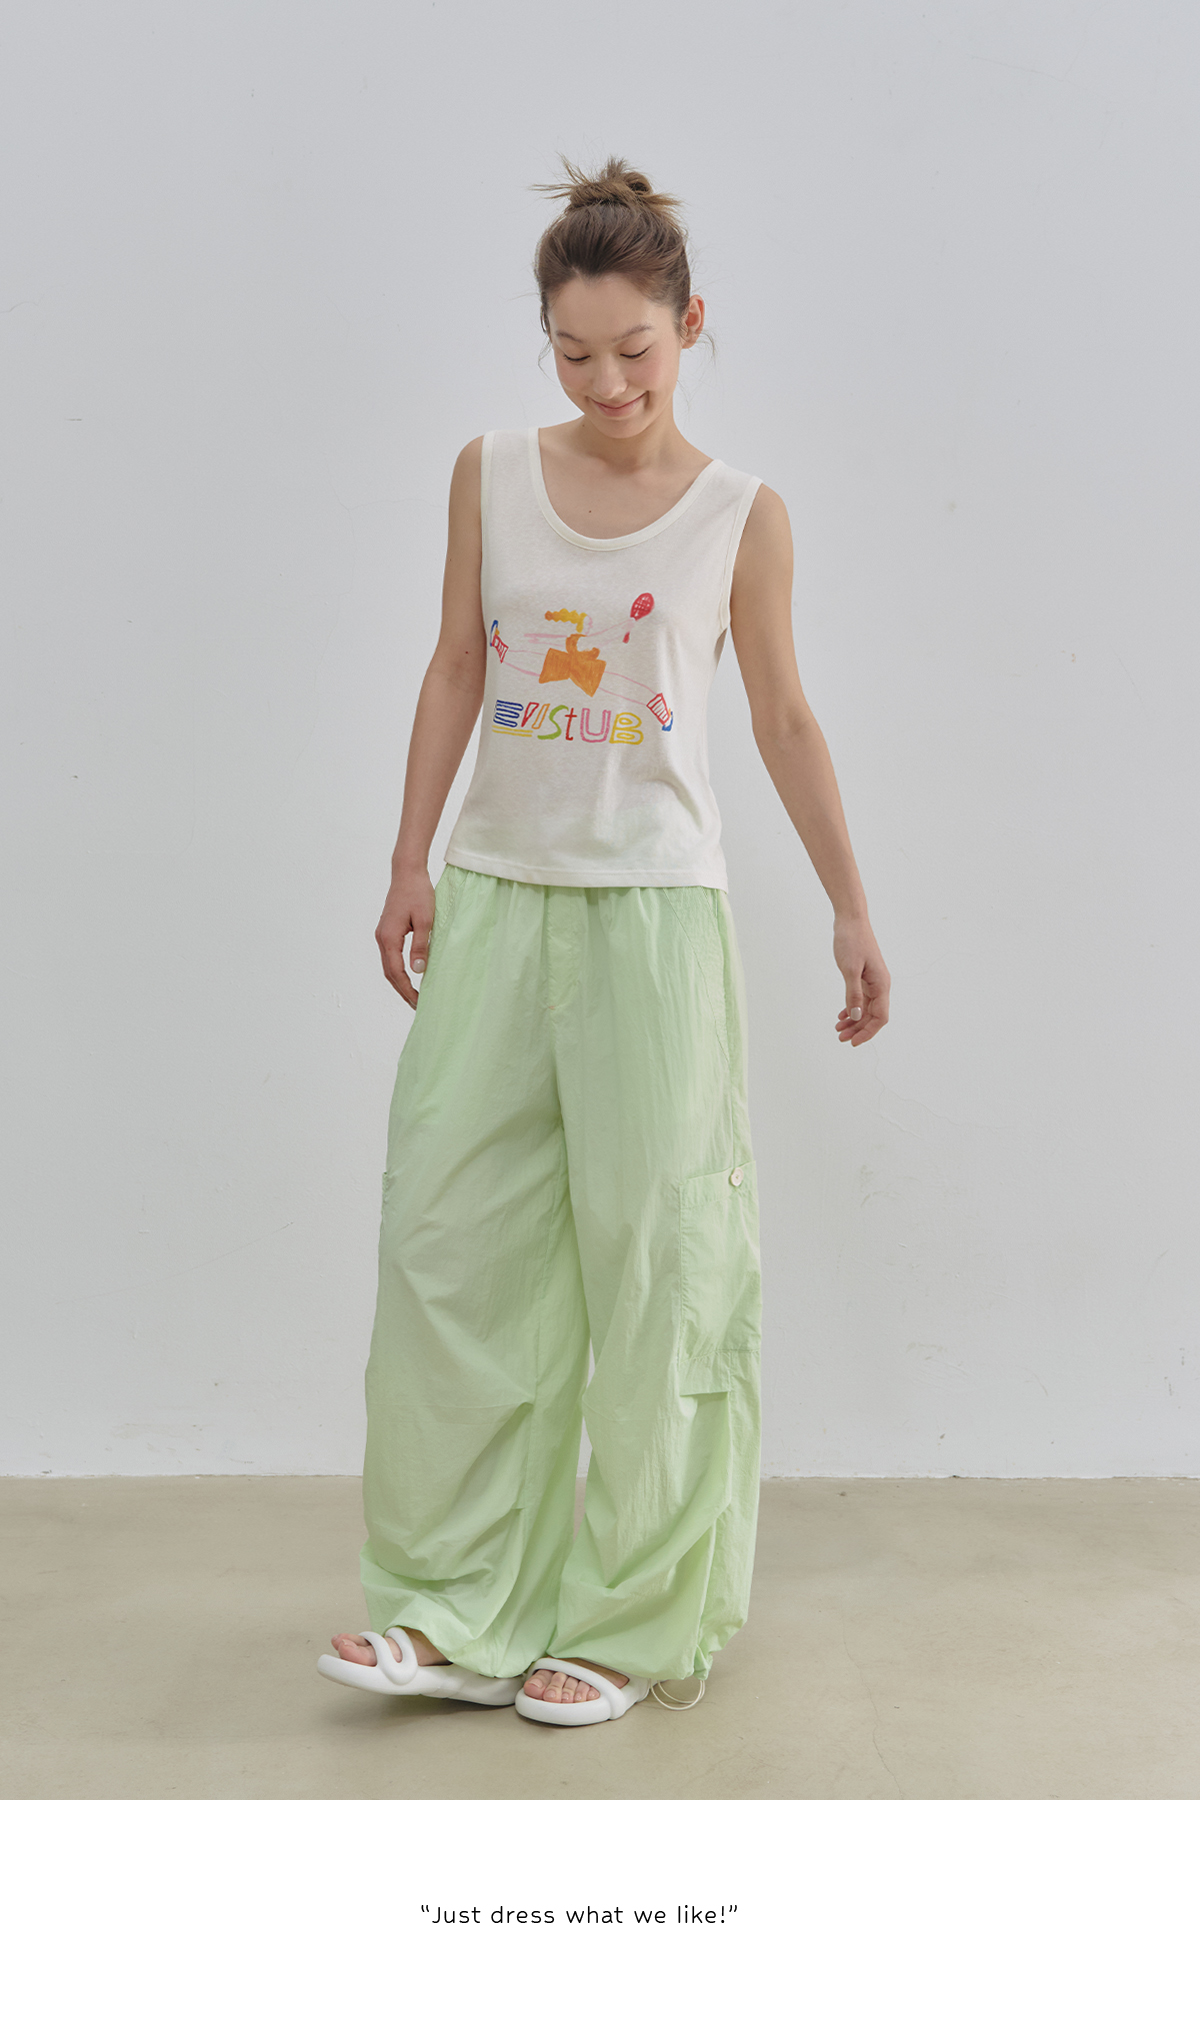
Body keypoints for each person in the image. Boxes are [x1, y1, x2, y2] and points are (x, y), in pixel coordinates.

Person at [317, 156, 890, 1728]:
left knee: (662, 1267)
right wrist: (409, 857)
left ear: (690, 325)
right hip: (498, 893)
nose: (607, 381)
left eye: (634, 348)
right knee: (451, 1248)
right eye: (574, 353)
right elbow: (455, 666)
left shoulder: (741, 516)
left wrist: (849, 905)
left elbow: (782, 716)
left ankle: (631, 1620)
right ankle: (451, 1608)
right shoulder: (490, 472)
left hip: (654, 916)